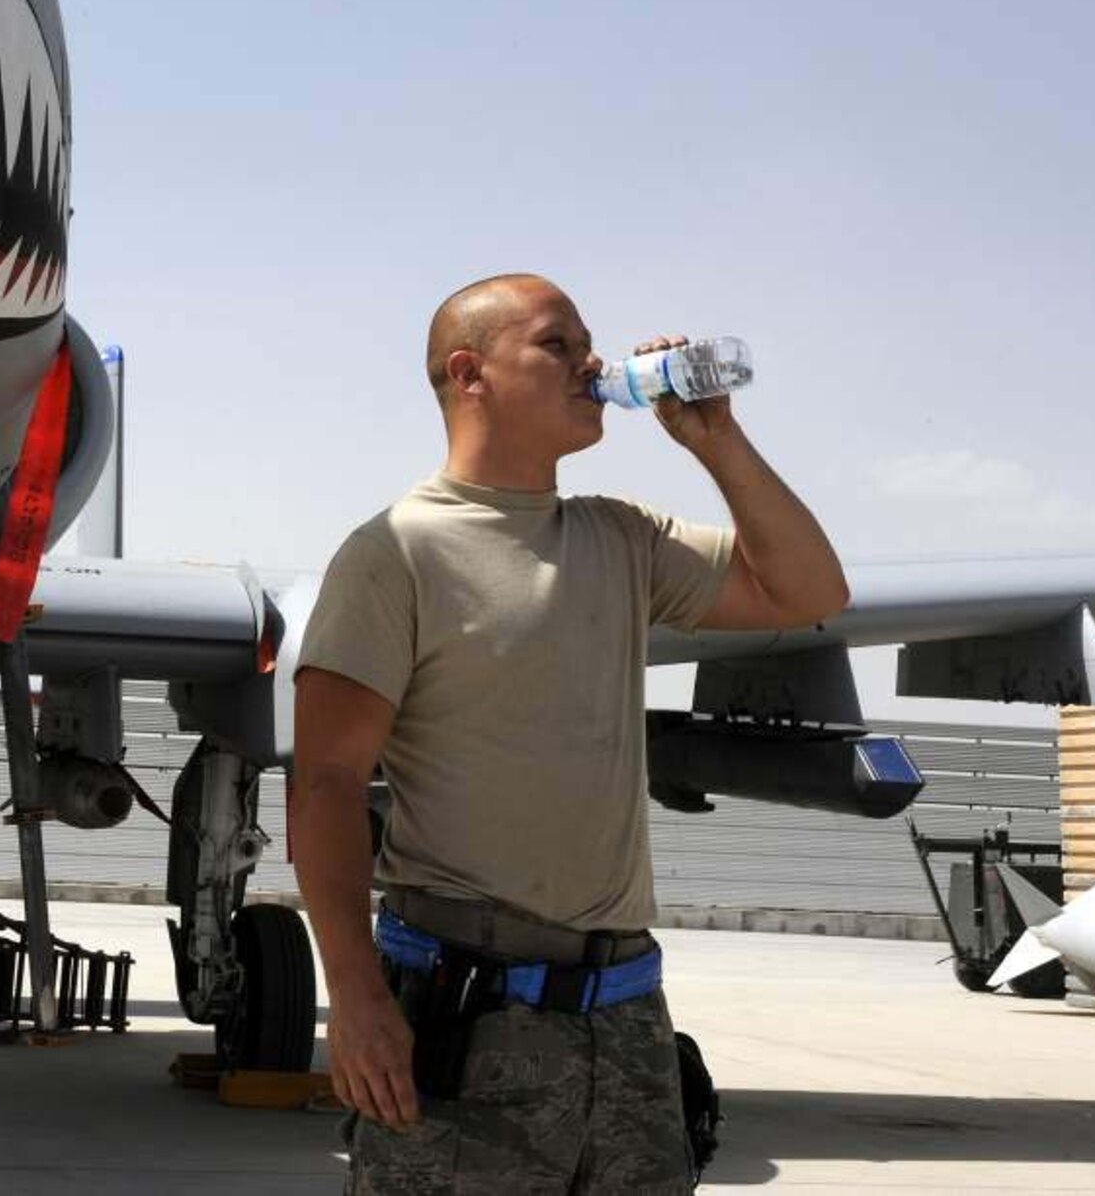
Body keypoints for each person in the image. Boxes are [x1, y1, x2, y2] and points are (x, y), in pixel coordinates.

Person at [291, 274, 848, 1194]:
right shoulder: (395, 553)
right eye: (560, 344)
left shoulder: (620, 539)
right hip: (469, 1019)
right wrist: (352, 996)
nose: (595, 363)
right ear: (470, 374)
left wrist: (717, 440)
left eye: (591, 345)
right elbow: (326, 787)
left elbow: (810, 592)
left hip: (624, 1017)